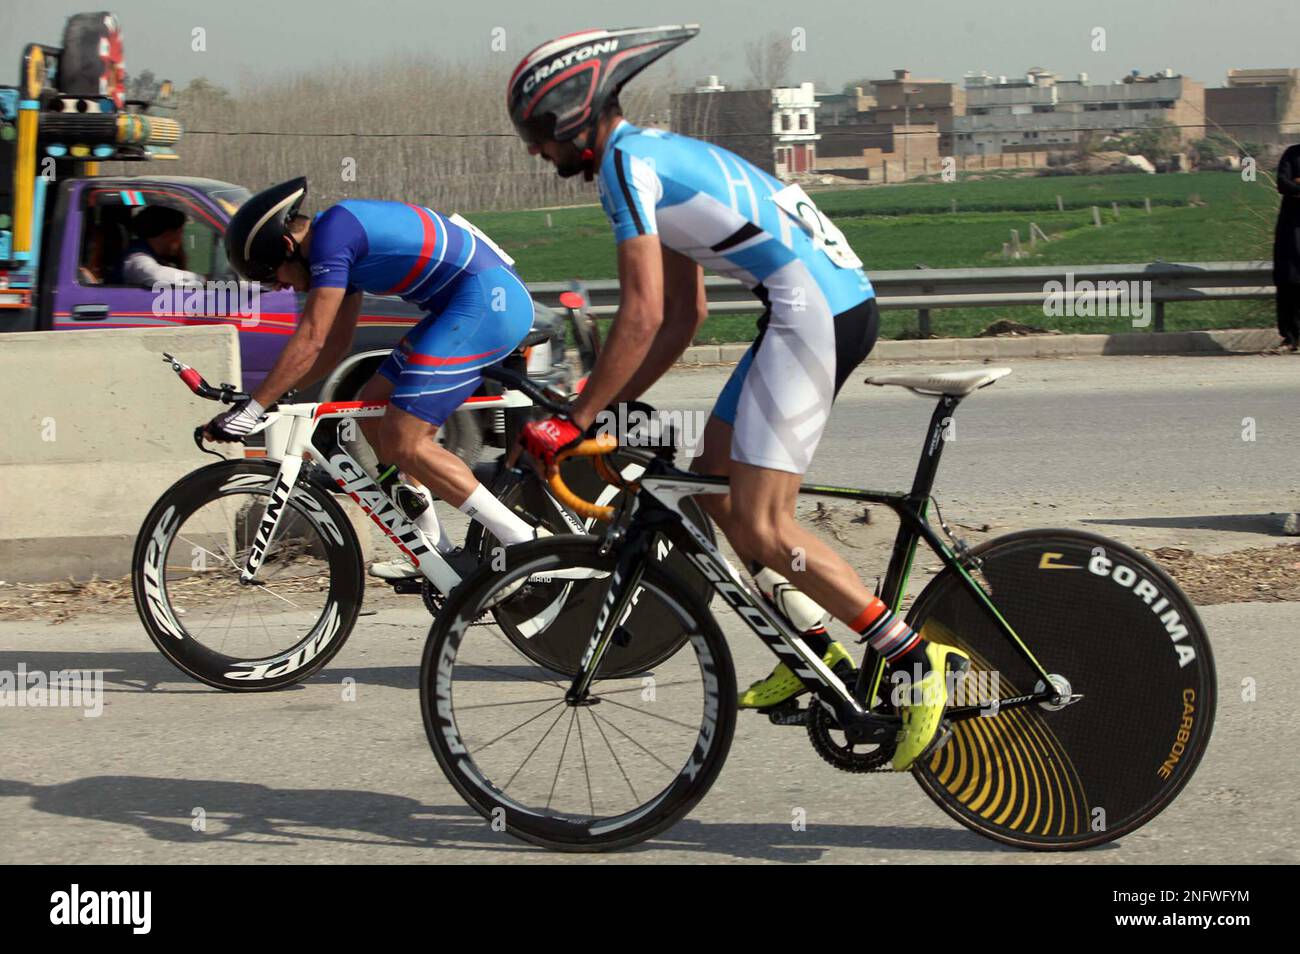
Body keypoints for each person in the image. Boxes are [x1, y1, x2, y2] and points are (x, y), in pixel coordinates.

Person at [510, 25, 967, 771]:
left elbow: (643, 314)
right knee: (715, 484)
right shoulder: (651, 154)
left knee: (759, 524)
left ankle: (914, 658)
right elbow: (684, 317)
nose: (535, 150)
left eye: (535, 132)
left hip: (810, 312)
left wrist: (574, 418)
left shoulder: (625, 169)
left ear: (570, 113)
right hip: (808, 306)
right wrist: (614, 406)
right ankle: (813, 648)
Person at [206, 178, 543, 578]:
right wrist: (282, 394)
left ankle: (523, 542)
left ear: (286, 247)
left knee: (405, 438)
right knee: (371, 411)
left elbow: (312, 338)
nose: (280, 287)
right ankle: (433, 548)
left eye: (273, 276)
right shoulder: (334, 241)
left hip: (487, 303)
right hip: (462, 304)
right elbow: (335, 344)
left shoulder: (335, 238)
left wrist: (255, 406)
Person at [114, 205, 204, 287]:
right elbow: (155, 275)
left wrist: (182, 263)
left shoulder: (156, 257)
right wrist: (202, 280)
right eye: (180, 234)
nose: (181, 241)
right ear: (167, 234)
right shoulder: (136, 258)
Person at [1273, 142, 1300, 352]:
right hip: (1291, 228)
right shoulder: (1292, 154)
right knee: (1288, 279)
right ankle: (1290, 337)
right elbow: (1283, 183)